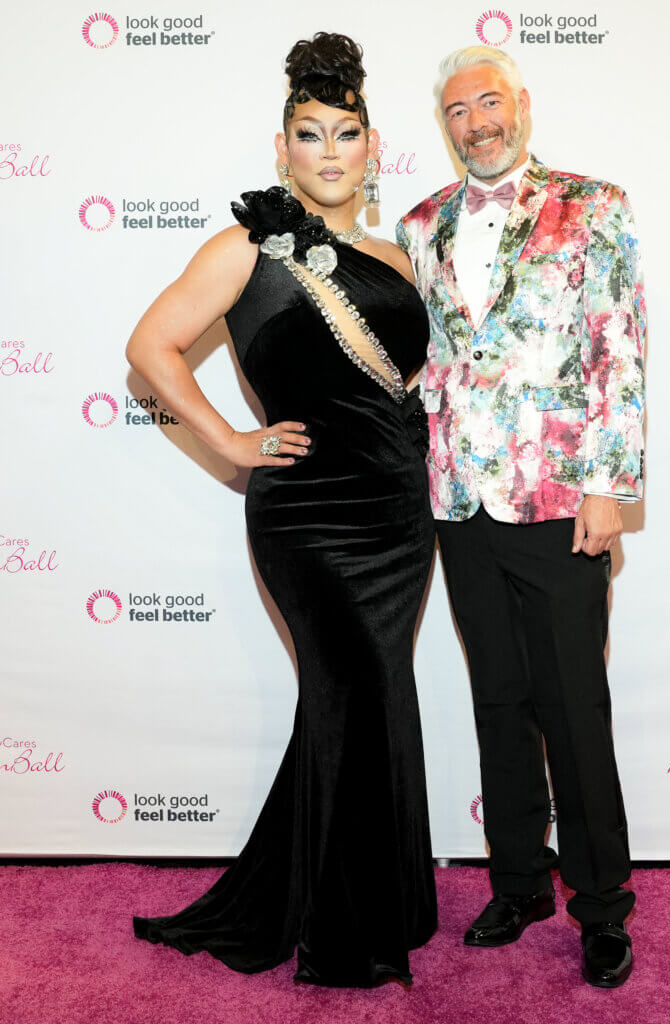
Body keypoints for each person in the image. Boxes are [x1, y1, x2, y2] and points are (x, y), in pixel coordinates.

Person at [128, 31, 437, 988]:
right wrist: (228, 441)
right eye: (310, 133)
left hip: (397, 510)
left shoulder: (397, 254)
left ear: (373, 147)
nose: (329, 151)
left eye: (346, 133)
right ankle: (346, 933)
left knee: (368, 696)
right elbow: (149, 347)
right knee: (356, 688)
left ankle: (370, 899)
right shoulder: (244, 248)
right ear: (282, 148)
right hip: (308, 516)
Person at [396, 46, 646, 988]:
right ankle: (517, 883)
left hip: (559, 501)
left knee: (573, 708)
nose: (476, 123)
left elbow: (616, 346)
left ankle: (602, 904)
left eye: (488, 102)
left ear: (521, 104)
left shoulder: (593, 204)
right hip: (458, 500)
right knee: (497, 700)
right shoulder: (419, 224)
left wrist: (607, 486)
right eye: (457, 111)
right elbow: (424, 360)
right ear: (444, 125)